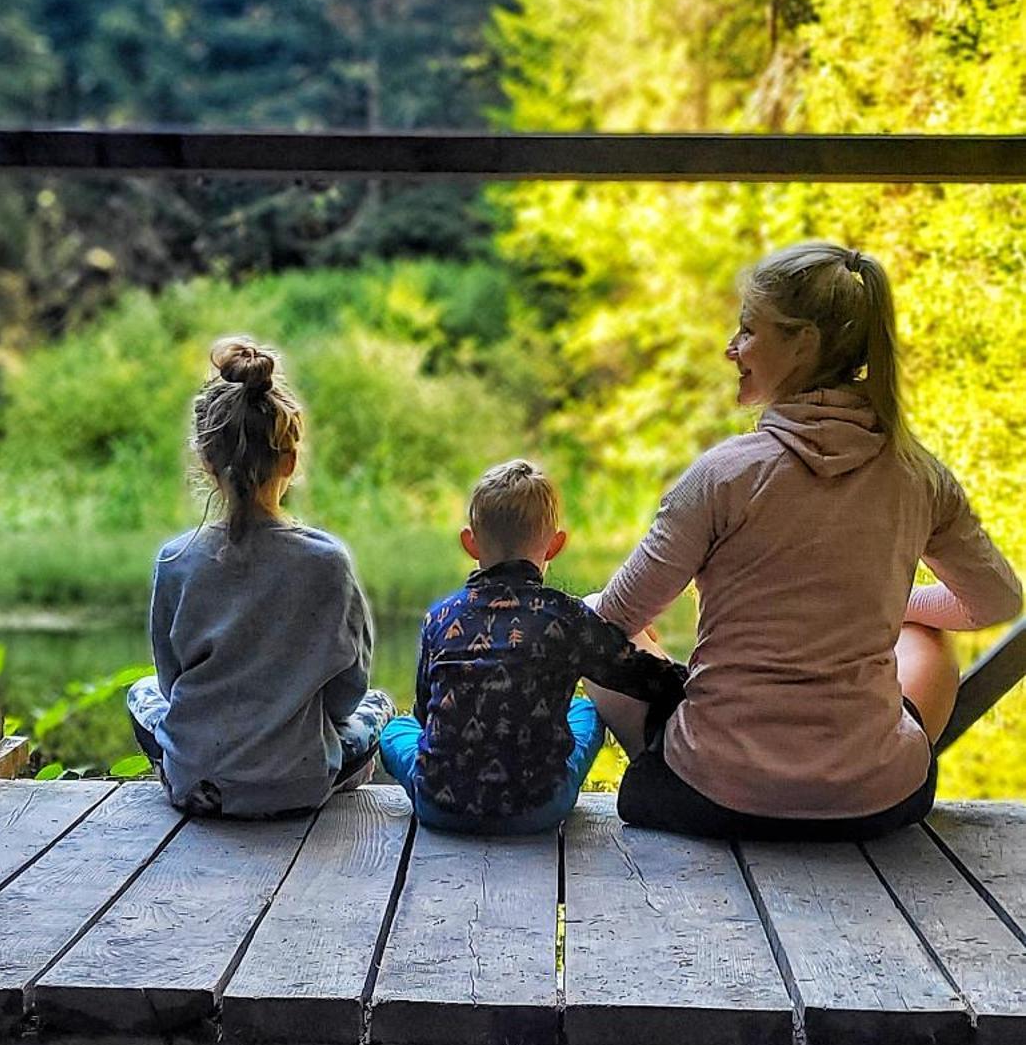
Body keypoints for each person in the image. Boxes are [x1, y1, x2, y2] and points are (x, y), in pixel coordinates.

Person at [586, 241, 1021, 841]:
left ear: (803, 344)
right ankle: (861, 758)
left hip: (713, 791)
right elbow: (997, 603)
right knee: (927, 637)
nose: (730, 348)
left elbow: (609, 620)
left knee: (598, 621)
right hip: (875, 799)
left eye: (747, 331)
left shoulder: (723, 475)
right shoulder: (918, 476)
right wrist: (896, 608)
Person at [126, 338, 393, 817]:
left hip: (197, 785)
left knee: (140, 693)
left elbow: (170, 685)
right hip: (297, 786)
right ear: (289, 461)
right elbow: (349, 691)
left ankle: (192, 771)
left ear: (207, 462)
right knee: (380, 706)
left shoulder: (176, 560)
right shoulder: (327, 562)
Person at [378, 459, 686, 835]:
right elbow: (646, 680)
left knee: (396, 729)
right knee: (587, 712)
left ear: (469, 541)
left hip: (440, 806)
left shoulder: (440, 617)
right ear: (555, 545)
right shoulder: (565, 617)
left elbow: (427, 717)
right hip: (538, 808)